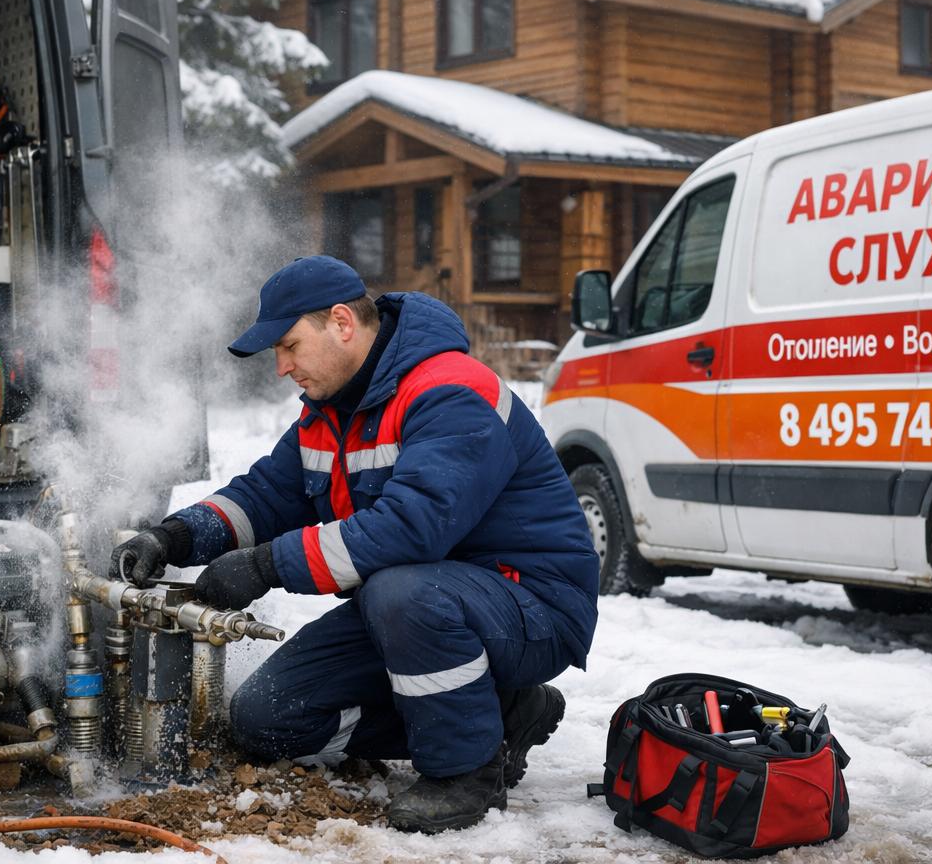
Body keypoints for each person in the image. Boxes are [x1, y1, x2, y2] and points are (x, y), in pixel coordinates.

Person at [111, 255, 599, 833]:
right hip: (416, 610)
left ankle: (466, 771)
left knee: (401, 590)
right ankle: (501, 713)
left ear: (342, 322)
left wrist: (267, 565)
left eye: (290, 345)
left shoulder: (450, 391)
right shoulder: (332, 411)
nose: (281, 367)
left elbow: (412, 527)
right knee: (266, 719)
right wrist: (175, 536)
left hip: (531, 606)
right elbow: (267, 495)